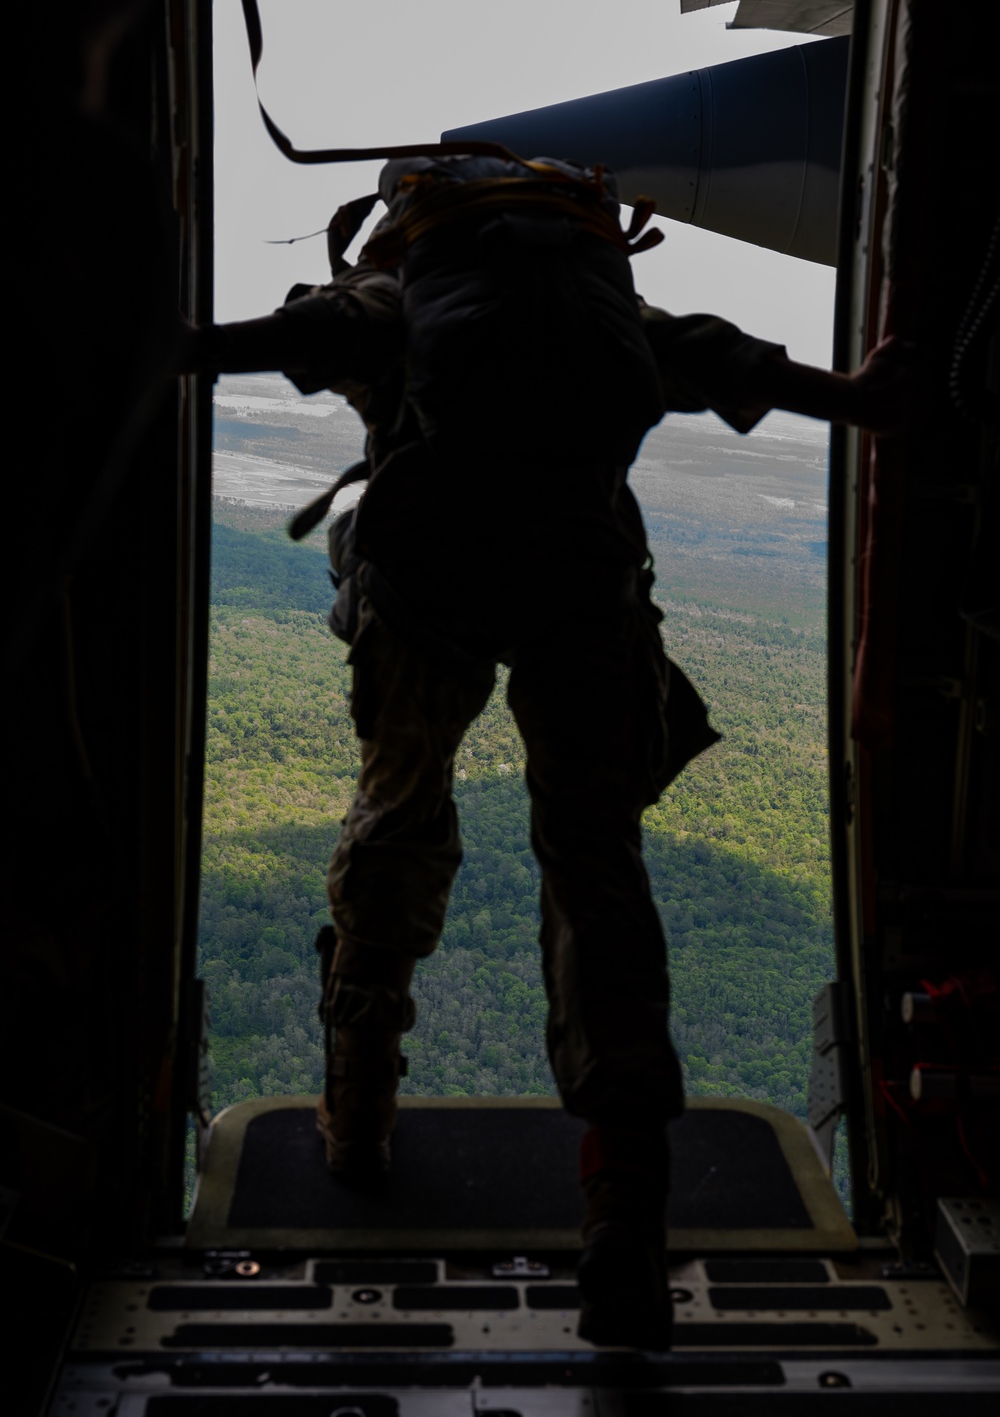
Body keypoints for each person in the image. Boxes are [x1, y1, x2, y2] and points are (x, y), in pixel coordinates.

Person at [185, 155, 919, 1349]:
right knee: (596, 866)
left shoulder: (400, 296)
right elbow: (761, 368)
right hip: (585, 592)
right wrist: (868, 393)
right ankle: (623, 1196)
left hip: (425, 592)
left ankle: (358, 1120)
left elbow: (248, 343)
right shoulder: (614, 313)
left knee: (396, 821)